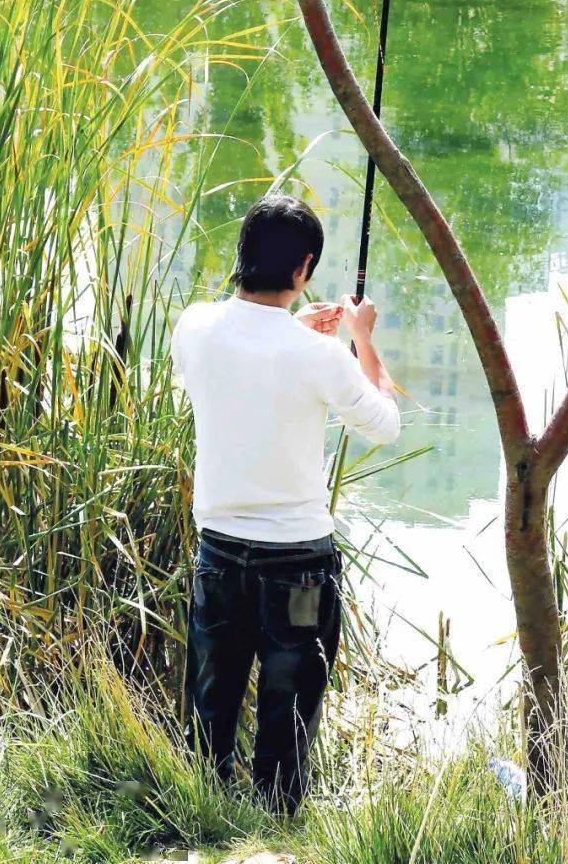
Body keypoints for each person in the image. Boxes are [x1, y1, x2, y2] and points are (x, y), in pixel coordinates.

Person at [171, 194, 400, 811]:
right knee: (290, 709)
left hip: (218, 555)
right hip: (297, 562)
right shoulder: (320, 357)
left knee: (210, 705)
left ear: (242, 257)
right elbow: (385, 424)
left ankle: (203, 819)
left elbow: (244, 363)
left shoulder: (193, 326)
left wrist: (294, 332)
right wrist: (361, 339)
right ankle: (274, 826)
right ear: (303, 270)